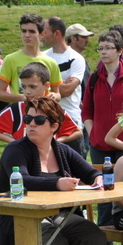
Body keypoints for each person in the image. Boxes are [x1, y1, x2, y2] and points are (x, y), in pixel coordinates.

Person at [0, 97, 107, 245]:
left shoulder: (62, 150)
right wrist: (57, 183)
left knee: (96, 238)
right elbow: (23, 179)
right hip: (20, 219)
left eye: (39, 120)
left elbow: (90, 171)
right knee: (53, 241)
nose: (31, 124)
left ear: (54, 126)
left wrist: (98, 178)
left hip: (58, 215)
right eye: (28, 119)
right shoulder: (15, 149)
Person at [82, 31, 123, 226]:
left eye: (108, 48)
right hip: (99, 145)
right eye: (100, 48)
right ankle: (104, 232)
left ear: (120, 50)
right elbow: (86, 110)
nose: (103, 52)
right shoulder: (94, 78)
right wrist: (93, 133)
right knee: (103, 189)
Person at [0, 62, 81, 147]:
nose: (27, 91)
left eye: (32, 87)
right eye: (24, 87)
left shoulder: (54, 109)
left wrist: (57, 141)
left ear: (46, 86)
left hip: (49, 161)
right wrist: (13, 141)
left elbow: (77, 131)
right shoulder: (16, 109)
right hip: (22, 161)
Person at [42, 16, 86, 156]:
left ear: (57, 33)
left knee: (75, 167)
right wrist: (61, 83)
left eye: (45, 32)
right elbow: (35, 88)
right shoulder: (42, 57)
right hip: (47, 121)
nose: (41, 35)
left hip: (71, 123)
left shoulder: (76, 58)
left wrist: (45, 86)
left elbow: (67, 90)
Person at [0, 13, 62, 104]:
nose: (27, 35)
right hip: (21, 111)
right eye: (24, 31)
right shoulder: (10, 59)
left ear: (41, 34)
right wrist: (23, 97)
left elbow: (57, 94)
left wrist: (54, 96)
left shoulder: (51, 62)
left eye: (32, 31)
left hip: (44, 111)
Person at [66, 23, 94, 157]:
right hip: (74, 115)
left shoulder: (80, 59)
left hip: (83, 113)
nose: (87, 40)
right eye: (83, 37)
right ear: (73, 38)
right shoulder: (68, 60)